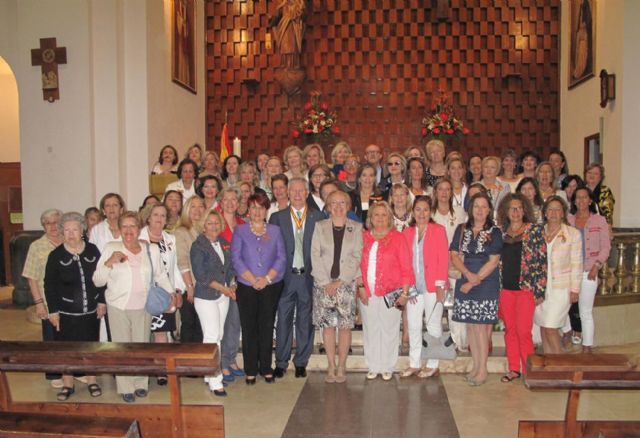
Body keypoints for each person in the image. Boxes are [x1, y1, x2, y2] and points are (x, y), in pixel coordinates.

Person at [93, 211, 175, 403]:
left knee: (141, 348)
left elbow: (161, 275)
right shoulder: (111, 248)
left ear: (139, 229)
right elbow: (97, 281)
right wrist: (109, 262)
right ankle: (125, 387)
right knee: (122, 349)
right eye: (125, 227)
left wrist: (172, 294)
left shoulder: (150, 249)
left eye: (133, 226)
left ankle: (140, 384)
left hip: (143, 306)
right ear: (119, 229)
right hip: (118, 306)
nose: (129, 230)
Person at [44, 212, 105, 400]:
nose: (71, 234)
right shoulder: (56, 255)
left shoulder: (93, 251)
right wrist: (53, 311)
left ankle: (92, 380)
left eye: (75, 229)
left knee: (91, 347)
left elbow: (102, 277)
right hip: (66, 313)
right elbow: (49, 284)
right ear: (62, 232)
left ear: (82, 231)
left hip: (90, 311)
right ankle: (68, 384)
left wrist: (101, 301)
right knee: (66, 350)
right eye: (67, 230)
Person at [269, 177, 323, 378]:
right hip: (285, 277)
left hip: (308, 276)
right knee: (282, 320)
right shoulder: (277, 217)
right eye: (294, 191)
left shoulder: (318, 217)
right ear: (288, 193)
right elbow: (271, 249)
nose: (298, 195)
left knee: (305, 321)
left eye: (302, 191)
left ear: (307, 193)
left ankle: (301, 361)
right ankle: (281, 362)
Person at [232, 192, 287, 384]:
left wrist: (266, 279)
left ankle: (266, 367)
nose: (257, 211)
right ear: (248, 209)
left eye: (261, 207)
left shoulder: (275, 230)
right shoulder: (240, 230)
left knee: (266, 326)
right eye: (253, 207)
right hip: (247, 286)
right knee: (249, 328)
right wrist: (252, 279)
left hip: (270, 286)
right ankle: (250, 370)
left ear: (266, 210)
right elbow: (236, 259)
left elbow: (281, 258)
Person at [450, 193, 503, 386]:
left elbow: (494, 261)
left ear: (489, 210)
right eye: (476, 206)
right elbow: (454, 255)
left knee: (481, 328)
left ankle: (483, 369)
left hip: (485, 282)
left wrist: (474, 280)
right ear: (471, 209)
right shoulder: (462, 229)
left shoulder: (495, 232)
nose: (480, 210)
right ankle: (475, 365)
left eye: (484, 207)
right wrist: (467, 274)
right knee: (471, 326)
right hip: (466, 277)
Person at [311, 190, 363, 383]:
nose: (338, 207)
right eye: (334, 203)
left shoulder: (356, 228)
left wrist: (340, 281)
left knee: (345, 327)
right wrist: (326, 283)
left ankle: (342, 366)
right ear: (328, 207)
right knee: (328, 327)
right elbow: (314, 254)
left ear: (348, 206)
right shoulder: (319, 226)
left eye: (342, 203)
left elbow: (357, 255)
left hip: (346, 285)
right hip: (323, 285)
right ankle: (330, 365)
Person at [359, 201, 414, 381]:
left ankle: (388, 366)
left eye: (384, 215)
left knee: (390, 330)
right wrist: (360, 287)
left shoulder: (398, 238)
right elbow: (357, 266)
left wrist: (405, 294)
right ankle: (373, 365)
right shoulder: (363, 238)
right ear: (370, 218)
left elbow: (407, 268)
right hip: (368, 291)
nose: (380, 218)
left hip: (393, 292)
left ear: (390, 218)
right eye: (376, 215)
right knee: (371, 329)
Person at [496, 194, 547, 383]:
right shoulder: (500, 232)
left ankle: (528, 371)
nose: (516, 212)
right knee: (510, 330)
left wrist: (540, 290)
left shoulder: (534, 231)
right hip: (506, 289)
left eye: (519, 208)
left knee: (524, 331)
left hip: (526, 289)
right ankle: (513, 369)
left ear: (525, 210)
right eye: (512, 208)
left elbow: (542, 262)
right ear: (506, 212)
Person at [401, 196, 449, 378]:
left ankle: (433, 363)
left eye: (426, 210)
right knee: (413, 325)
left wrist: (440, 285)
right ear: (413, 212)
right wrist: (406, 288)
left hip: (432, 286)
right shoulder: (407, 233)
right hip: (413, 287)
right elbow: (405, 262)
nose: (422, 213)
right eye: (418, 210)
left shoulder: (438, 230)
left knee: (433, 325)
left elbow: (443, 259)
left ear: (431, 212)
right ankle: (414, 362)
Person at [190, 210, 236, 396]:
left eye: (217, 223)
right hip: (206, 296)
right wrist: (224, 289)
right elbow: (201, 276)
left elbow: (230, 268)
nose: (214, 226)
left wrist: (232, 284)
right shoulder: (198, 246)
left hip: (223, 295)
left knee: (220, 334)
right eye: (210, 223)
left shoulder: (224, 243)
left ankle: (208, 373)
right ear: (203, 225)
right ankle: (215, 380)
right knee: (211, 336)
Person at [139, 204, 185, 385]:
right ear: (148, 217)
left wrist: (177, 291)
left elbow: (175, 268)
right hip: (141, 293)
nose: (159, 218)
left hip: (164, 293)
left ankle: (161, 369)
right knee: (142, 334)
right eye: (155, 215)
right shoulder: (138, 237)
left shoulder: (170, 239)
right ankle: (142, 369)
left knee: (162, 332)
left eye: (163, 215)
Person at [534, 196, 582, 354]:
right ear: (545, 212)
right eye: (550, 209)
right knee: (543, 326)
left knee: (550, 327)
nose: (553, 213)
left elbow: (576, 263)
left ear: (563, 213)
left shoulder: (572, 234)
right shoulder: (537, 232)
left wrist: (575, 289)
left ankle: (561, 367)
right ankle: (550, 366)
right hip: (540, 288)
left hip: (561, 288)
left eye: (557, 209)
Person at [23, 208, 63, 388]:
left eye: (56, 222)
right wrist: (39, 304)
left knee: (71, 339)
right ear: (43, 226)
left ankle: (74, 371)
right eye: (49, 223)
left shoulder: (70, 241)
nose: (53, 226)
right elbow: (32, 277)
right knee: (52, 339)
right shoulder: (36, 246)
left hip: (71, 303)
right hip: (48, 302)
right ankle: (54, 373)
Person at [568, 187, 611, 353]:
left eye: (584, 197)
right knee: (563, 307)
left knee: (585, 311)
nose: (581, 201)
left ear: (590, 200)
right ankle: (567, 333)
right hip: (570, 272)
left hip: (589, 271)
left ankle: (587, 347)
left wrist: (596, 265)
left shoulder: (599, 220)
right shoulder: (569, 219)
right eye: (578, 197)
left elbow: (606, 247)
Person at [432, 178, 468, 351]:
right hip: (435, 265)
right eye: (441, 189)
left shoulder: (460, 213)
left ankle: (458, 340)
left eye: (448, 189)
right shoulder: (431, 215)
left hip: (455, 264)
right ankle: (435, 340)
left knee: (455, 303)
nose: (444, 193)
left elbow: (466, 236)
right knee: (437, 302)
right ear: (436, 192)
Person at [215, 187, 246, 381]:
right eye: (226, 199)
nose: (230, 203)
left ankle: (231, 357)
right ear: (220, 201)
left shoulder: (243, 224)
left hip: (239, 280)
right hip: (219, 281)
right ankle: (221, 363)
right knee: (220, 324)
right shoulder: (214, 221)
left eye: (234, 199)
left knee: (235, 322)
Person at [174, 196, 206, 343]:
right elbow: (182, 260)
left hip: (204, 286)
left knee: (201, 326)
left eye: (201, 206)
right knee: (189, 324)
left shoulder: (204, 231)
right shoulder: (182, 231)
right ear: (187, 209)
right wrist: (190, 286)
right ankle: (184, 362)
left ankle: (198, 362)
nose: (197, 210)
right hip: (190, 285)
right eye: (193, 206)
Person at [270, 0, 306, 69]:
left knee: (293, 46)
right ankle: (284, 64)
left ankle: (294, 64)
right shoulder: (282, 2)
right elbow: (277, 14)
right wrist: (282, 5)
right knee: (284, 46)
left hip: (293, 26)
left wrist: (297, 10)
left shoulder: (298, 2)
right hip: (284, 26)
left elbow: (302, 13)